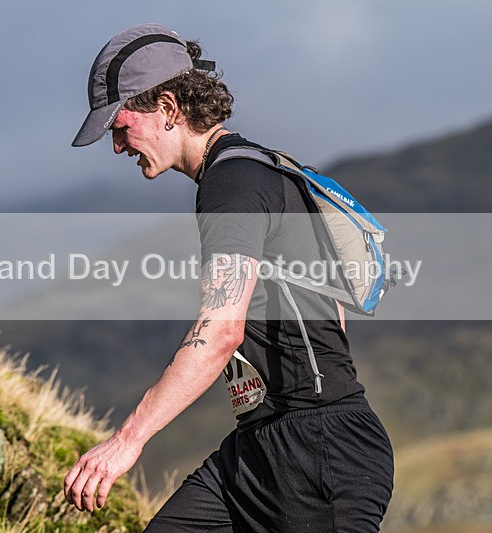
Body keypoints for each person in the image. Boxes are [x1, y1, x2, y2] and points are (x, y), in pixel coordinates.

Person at [66, 23, 393, 532]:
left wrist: (126, 441)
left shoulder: (233, 182)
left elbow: (221, 331)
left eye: (120, 125)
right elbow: (333, 312)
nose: (116, 146)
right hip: (261, 450)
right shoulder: (260, 170)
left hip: (318, 453)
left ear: (168, 108)